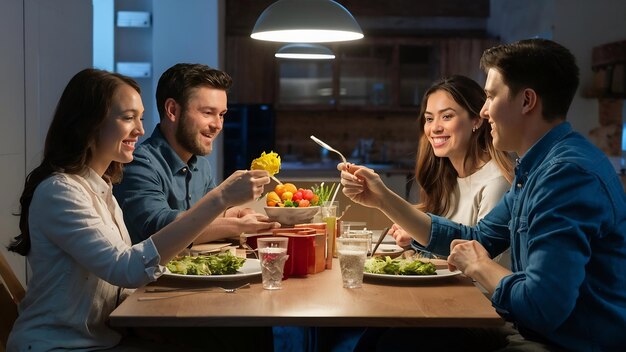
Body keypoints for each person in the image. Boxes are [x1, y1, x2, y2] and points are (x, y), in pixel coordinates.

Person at [339, 38, 626, 351]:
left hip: (563, 343)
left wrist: (480, 266)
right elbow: (475, 236)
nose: (485, 110)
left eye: (490, 96)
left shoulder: (565, 175)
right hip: (532, 328)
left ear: (527, 101)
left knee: (399, 343)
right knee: (386, 338)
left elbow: (543, 307)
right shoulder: (537, 167)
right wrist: (382, 198)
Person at [6, 68, 270, 350]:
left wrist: (135, 323)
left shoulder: (102, 188)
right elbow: (126, 268)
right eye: (128, 118)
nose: (141, 130)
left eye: (140, 118)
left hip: (105, 337)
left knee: (241, 333)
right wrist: (220, 199)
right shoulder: (61, 192)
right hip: (62, 346)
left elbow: (114, 281)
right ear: (89, 123)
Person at [113, 63, 279, 245]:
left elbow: (206, 216)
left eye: (222, 114)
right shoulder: (139, 163)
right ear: (172, 110)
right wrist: (237, 224)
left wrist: (233, 214)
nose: (217, 125)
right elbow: (159, 229)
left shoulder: (201, 165)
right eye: (208, 113)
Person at [389, 75, 513, 269]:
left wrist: (420, 237)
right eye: (429, 118)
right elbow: (448, 246)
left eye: (447, 116)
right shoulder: (445, 177)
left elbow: (484, 262)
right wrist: (417, 236)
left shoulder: (496, 182)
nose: (435, 128)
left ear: (477, 120)